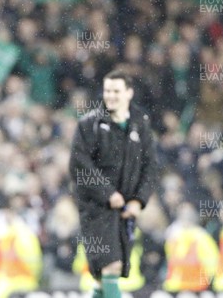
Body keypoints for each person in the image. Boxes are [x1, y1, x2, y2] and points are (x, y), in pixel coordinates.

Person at [69, 69, 159, 298]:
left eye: (116, 91)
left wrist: (139, 200)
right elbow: (80, 167)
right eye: (107, 90)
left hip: (126, 209)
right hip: (96, 208)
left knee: (103, 277)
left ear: (129, 93)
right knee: (111, 266)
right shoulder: (89, 124)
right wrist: (108, 193)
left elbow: (150, 167)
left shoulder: (141, 123)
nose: (110, 95)